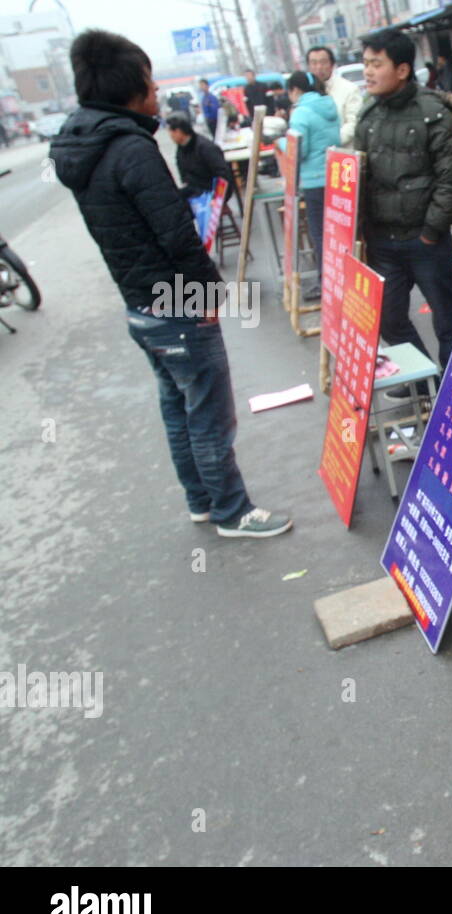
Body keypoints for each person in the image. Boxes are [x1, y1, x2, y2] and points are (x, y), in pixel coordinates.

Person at [51, 30, 291, 538]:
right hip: (175, 303)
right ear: (128, 86)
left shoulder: (85, 146)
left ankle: (201, 501)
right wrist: (209, 296)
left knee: (178, 408)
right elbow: (177, 236)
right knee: (208, 413)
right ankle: (232, 511)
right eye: (149, 79)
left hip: (141, 305)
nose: (156, 89)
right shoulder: (130, 149)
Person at [353, 28, 452, 373]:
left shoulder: (434, 115)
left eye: (376, 64)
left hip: (425, 241)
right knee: (388, 320)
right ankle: (426, 383)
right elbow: (358, 175)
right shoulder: (368, 116)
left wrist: (431, 232)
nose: (368, 72)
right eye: (365, 64)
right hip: (382, 243)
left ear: (402, 70)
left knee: (448, 319)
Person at [282, 71, 340, 296]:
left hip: (315, 181)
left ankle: (325, 284)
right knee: (338, 235)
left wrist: (281, 142)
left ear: (295, 90)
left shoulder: (301, 113)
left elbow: (299, 151)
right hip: (335, 176)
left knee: (320, 235)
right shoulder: (329, 105)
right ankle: (340, 280)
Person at [165, 111, 233, 200]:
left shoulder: (205, 147)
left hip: (210, 193)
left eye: (170, 131)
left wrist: (220, 200)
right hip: (195, 192)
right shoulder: (181, 148)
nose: (170, 135)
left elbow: (223, 175)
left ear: (179, 131)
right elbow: (184, 176)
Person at [307, 45, 363, 147]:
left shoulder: (349, 89)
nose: (319, 67)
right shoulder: (306, 94)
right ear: (308, 67)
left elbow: (354, 123)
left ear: (332, 65)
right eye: (314, 63)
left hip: (343, 154)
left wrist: (332, 141)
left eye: (323, 62)